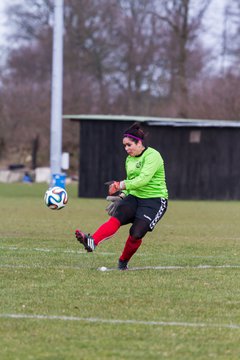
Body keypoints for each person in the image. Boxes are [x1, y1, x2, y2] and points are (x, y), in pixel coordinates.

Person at [75, 122, 168, 270]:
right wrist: (123, 195)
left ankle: (123, 262)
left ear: (139, 143)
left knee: (136, 234)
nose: (126, 149)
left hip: (155, 200)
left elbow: (143, 179)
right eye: (124, 146)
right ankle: (92, 241)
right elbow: (131, 182)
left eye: (129, 145)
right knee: (116, 218)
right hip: (135, 197)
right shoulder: (129, 160)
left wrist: (120, 185)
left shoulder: (153, 156)